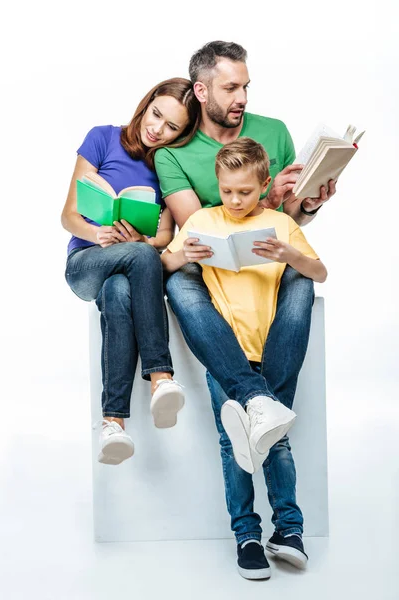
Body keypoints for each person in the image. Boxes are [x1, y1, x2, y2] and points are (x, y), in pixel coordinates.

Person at [154, 41, 336, 578]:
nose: (241, 97)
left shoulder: (272, 139)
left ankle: (290, 527)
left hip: (271, 303)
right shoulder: (178, 159)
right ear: (202, 90)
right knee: (245, 434)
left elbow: (298, 235)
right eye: (231, 87)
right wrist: (178, 251)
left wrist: (303, 201)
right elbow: (180, 246)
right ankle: (248, 534)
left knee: (301, 280)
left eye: (245, 86)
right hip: (223, 316)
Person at [61, 78, 200, 466]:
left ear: (183, 133)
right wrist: (101, 235)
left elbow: (165, 235)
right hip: (86, 262)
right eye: (157, 115)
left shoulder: (168, 165)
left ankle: (113, 424)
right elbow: (68, 216)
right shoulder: (102, 138)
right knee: (140, 257)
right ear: (148, 102)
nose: (157, 129)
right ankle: (161, 378)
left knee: (120, 291)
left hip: (123, 274)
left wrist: (141, 238)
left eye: (172, 127)